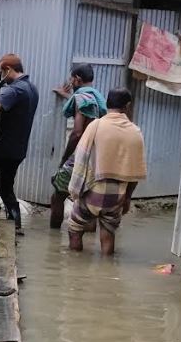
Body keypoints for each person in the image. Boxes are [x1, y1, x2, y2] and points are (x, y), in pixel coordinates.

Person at [67, 87, 147, 255]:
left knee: (74, 229)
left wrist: (75, 190)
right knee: (108, 231)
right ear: (127, 106)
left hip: (92, 190)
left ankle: (73, 269)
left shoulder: (96, 125)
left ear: (107, 103)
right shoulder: (135, 132)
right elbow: (135, 171)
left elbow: (81, 158)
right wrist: (127, 199)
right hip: (117, 195)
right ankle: (107, 266)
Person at [0, 53, 39, 234]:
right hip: (17, 150)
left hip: (0, 148)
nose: (0, 76)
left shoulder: (14, 89)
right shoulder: (32, 89)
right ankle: (16, 225)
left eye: (1, 71)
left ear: (8, 69)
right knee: (5, 188)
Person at [50, 63, 107, 228]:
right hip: (97, 156)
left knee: (58, 195)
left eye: (71, 78)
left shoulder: (81, 98)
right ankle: (88, 241)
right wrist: (68, 97)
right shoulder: (96, 97)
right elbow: (87, 110)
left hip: (82, 154)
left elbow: (77, 132)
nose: (70, 82)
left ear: (77, 79)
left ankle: (53, 237)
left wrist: (65, 158)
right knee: (88, 199)